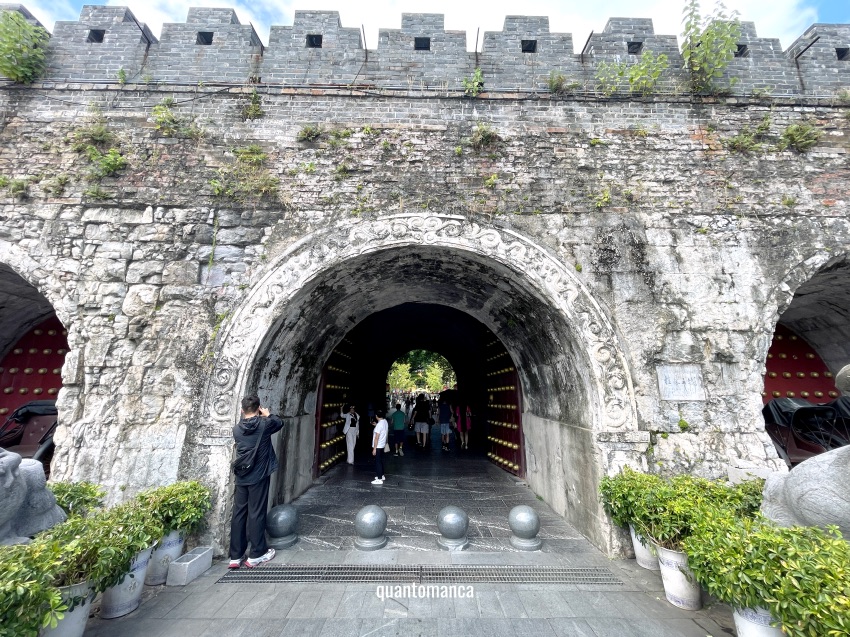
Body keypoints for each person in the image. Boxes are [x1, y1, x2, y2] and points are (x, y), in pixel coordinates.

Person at [229, 395, 283, 569]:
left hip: (242, 476)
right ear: (259, 408)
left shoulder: (236, 429)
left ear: (242, 410)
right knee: (256, 513)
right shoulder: (264, 424)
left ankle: (235, 556)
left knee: (238, 514)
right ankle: (257, 553)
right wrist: (267, 414)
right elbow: (279, 422)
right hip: (259, 475)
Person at [371, 410, 388, 485]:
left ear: (376, 416)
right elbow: (382, 429)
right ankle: (382, 475)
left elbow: (376, 437)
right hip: (382, 444)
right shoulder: (385, 421)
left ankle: (379, 479)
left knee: (378, 462)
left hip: (378, 445)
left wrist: (374, 448)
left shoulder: (379, 425)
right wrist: (376, 425)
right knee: (380, 461)